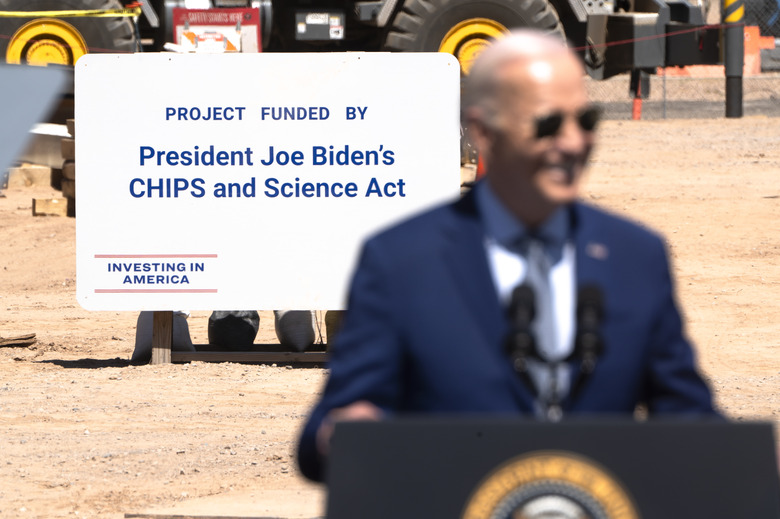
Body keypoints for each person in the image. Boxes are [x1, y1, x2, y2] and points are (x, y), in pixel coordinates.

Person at [296, 29, 719, 482]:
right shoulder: (401, 261)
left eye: (586, 121)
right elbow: (327, 428)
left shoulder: (635, 256)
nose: (575, 143)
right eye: (549, 124)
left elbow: (688, 417)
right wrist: (346, 431)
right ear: (483, 131)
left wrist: (743, 462)